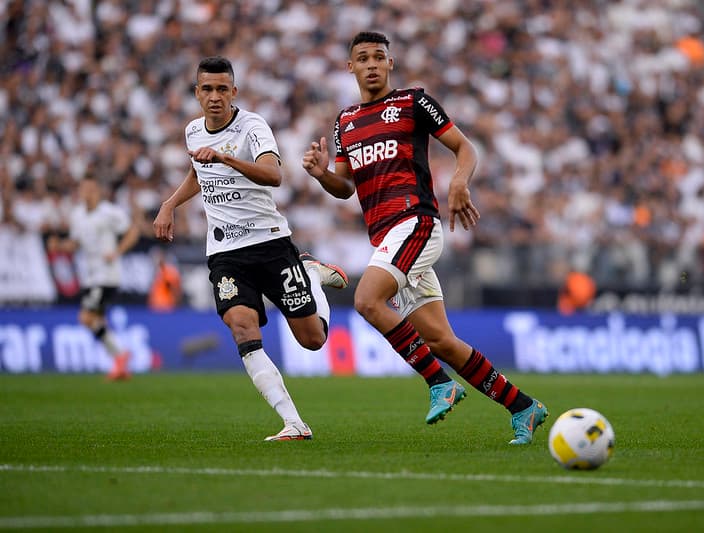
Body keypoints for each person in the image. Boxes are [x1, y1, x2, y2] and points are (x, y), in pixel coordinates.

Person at [302, 31, 548, 445]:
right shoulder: (345, 122)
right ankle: (524, 407)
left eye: (379, 56)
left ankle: (438, 383)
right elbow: (344, 188)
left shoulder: (413, 102)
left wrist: (458, 183)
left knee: (366, 300)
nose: (372, 64)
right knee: (440, 340)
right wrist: (322, 173)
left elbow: (464, 147)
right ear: (351, 67)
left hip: (415, 222)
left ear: (390, 63)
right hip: (386, 238)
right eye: (363, 58)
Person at [153, 56, 348, 442]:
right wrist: (170, 203)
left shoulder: (252, 126)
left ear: (234, 92)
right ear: (196, 93)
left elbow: (274, 174)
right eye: (207, 89)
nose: (214, 97)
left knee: (312, 341)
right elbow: (198, 173)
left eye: (222, 89)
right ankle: (294, 423)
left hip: (271, 244)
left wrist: (226, 156)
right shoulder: (193, 131)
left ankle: (309, 273)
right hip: (225, 253)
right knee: (241, 328)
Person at [47, 175, 140, 381]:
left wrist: (116, 251)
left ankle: (120, 356)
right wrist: (59, 246)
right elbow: (75, 244)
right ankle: (120, 362)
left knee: (86, 317)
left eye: (90, 189)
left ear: (97, 191)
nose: (86, 194)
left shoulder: (109, 212)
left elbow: (133, 231)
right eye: (83, 190)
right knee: (96, 320)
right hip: (89, 277)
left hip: (106, 276)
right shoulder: (77, 215)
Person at [147, 247, 182, 312]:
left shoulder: (169, 270)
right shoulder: (156, 270)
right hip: (155, 307)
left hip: (166, 307)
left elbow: (175, 290)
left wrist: (175, 306)